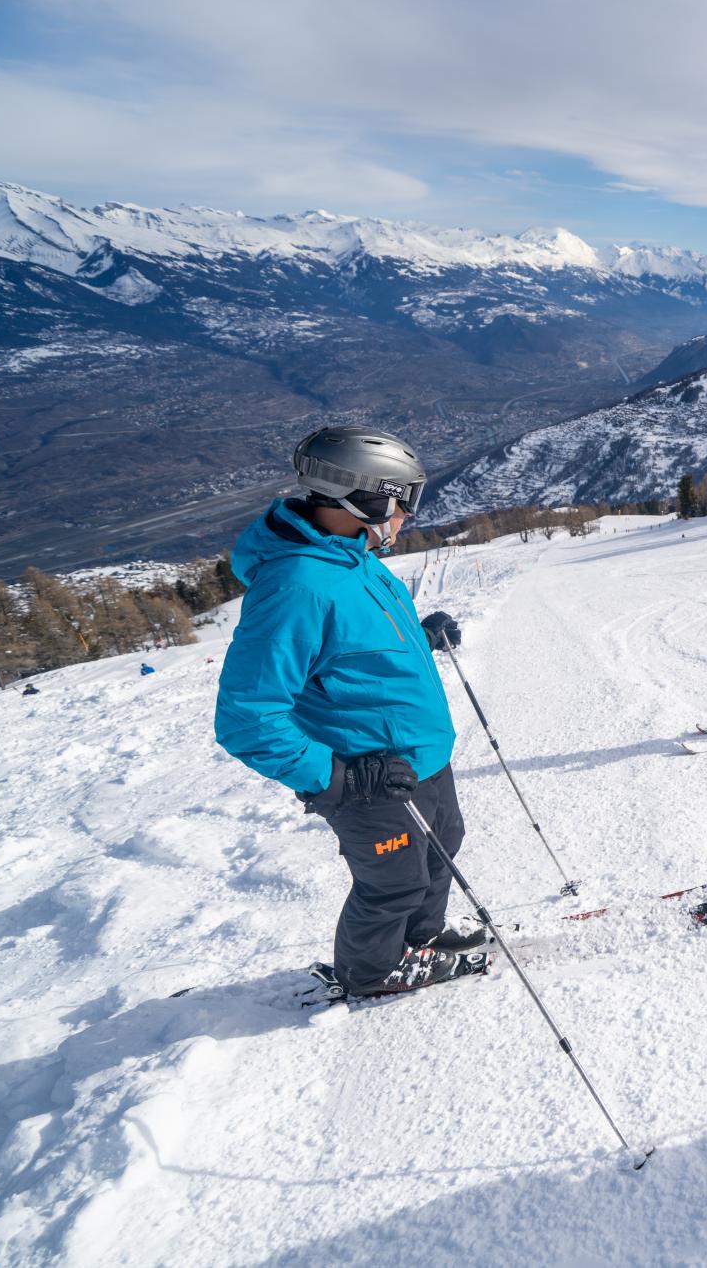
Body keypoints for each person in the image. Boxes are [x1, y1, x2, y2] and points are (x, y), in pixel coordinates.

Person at [214, 425, 488, 1000]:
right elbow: (247, 716)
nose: (408, 514)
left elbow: (355, 643)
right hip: (369, 778)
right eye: (403, 500)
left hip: (421, 757)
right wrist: (337, 777)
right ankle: (371, 972)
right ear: (364, 500)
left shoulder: (355, 559)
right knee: (393, 881)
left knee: (442, 848)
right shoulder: (295, 586)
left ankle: (420, 942)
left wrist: (421, 632)